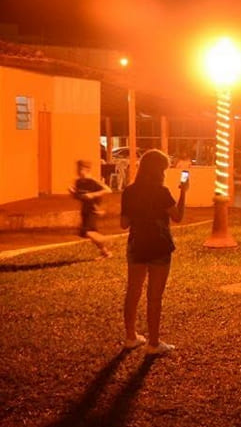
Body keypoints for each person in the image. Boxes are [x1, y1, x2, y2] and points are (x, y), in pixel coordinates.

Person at [120, 149, 187, 354]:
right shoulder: (162, 192)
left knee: (133, 291)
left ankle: (131, 337)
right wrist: (184, 192)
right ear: (159, 171)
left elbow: (124, 223)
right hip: (159, 245)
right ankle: (153, 343)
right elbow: (177, 217)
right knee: (154, 297)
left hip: (137, 244)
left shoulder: (129, 191)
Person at [70, 160, 112, 258]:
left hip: (93, 210)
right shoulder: (78, 182)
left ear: (87, 169)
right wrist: (73, 193)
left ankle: (105, 239)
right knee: (89, 233)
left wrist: (93, 195)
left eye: (81, 169)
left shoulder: (92, 181)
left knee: (87, 232)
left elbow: (108, 190)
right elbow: (80, 197)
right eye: (78, 169)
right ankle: (106, 253)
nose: (78, 171)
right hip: (84, 210)